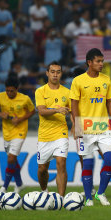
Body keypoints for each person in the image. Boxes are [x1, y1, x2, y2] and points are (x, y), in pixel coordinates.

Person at [70, 48, 111, 206]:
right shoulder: (78, 81)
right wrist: (77, 125)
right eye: (98, 61)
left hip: (104, 128)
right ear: (89, 62)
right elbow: (74, 104)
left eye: (102, 61)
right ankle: (89, 198)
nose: (101, 64)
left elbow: (110, 102)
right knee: (88, 164)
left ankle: (101, 193)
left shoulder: (106, 79)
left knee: (109, 159)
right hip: (85, 129)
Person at [0, 77, 35, 194]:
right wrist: (0, 114)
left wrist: (20, 119)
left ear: (17, 89)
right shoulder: (0, 96)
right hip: (6, 132)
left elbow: (32, 111)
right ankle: (19, 184)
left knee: (11, 158)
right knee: (13, 160)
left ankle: (4, 187)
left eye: (12, 91)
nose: (9, 93)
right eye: (7, 91)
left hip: (20, 132)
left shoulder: (25, 99)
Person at [35, 61, 70, 196]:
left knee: (61, 163)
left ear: (61, 74)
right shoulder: (40, 91)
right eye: (53, 71)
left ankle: (61, 199)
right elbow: (42, 111)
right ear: (47, 73)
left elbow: (73, 112)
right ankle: (44, 191)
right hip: (44, 135)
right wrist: (57, 110)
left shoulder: (67, 92)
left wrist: (76, 128)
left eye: (58, 72)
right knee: (42, 169)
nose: (55, 74)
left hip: (60, 133)